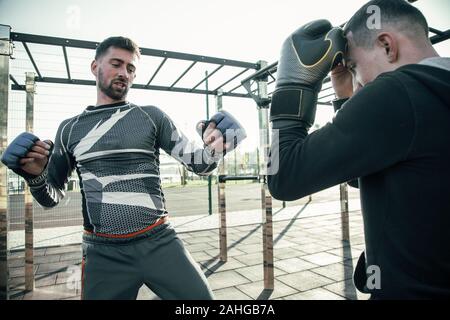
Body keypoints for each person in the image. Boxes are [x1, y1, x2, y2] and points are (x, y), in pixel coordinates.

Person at [1, 36, 246, 300]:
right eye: (116, 64)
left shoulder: (152, 116)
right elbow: (52, 197)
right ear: (95, 67)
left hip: (160, 242)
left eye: (130, 68)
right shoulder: (69, 129)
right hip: (103, 253)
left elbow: (200, 164)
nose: (124, 73)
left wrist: (217, 147)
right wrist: (35, 175)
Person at [267, 0, 450, 299]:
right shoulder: (436, 88)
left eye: (354, 67)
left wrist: (292, 84)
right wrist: (344, 97)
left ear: (387, 45)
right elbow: (362, 173)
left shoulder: (398, 91)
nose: (358, 81)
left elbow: (283, 176)